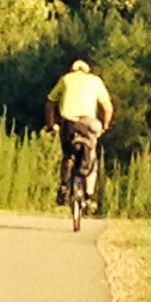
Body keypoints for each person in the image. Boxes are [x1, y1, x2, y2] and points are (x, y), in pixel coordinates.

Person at [45, 60, 113, 209]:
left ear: (72, 69)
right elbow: (107, 107)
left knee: (68, 155)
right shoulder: (95, 81)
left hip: (69, 123)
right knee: (92, 158)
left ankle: (64, 186)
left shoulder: (65, 79)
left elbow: (50, 102)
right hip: (89, 124)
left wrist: (51, 124)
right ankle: (89, 197)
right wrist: (105, 126)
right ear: (87, 70)